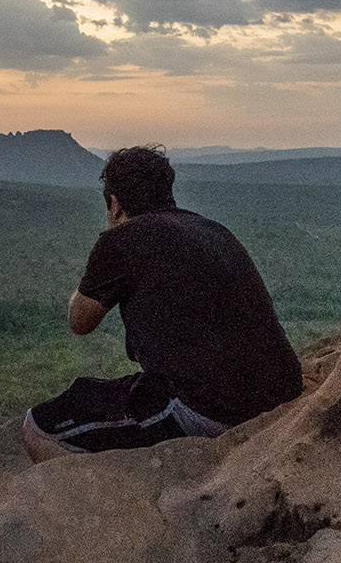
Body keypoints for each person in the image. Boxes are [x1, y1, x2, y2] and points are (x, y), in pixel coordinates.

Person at [22, 145, 304, 461]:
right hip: (284, 396)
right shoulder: (214, 230)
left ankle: (88, 505)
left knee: (38, 426)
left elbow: (80, 321)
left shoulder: (121, 239)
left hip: (209, 406)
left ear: (114, 204)